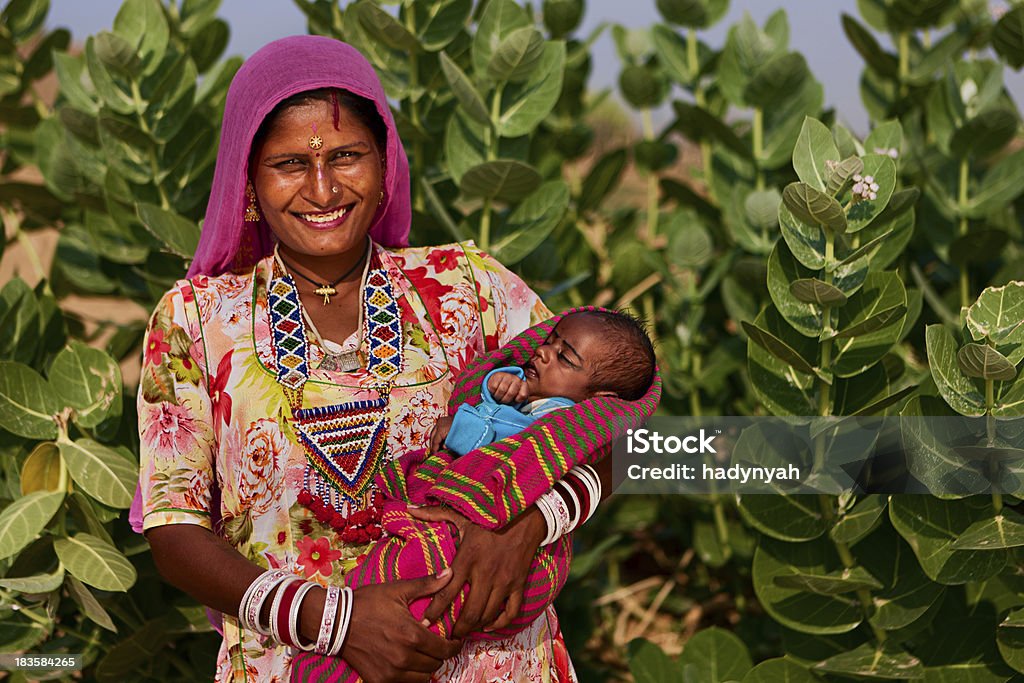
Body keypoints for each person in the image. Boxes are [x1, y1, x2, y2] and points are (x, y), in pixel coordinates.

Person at [134, 34, 623, 682]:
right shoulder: (196, 321)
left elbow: (627, 431)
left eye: (347, 156)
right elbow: (174, 532)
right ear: (248, 181)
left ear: (385, 163)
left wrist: (533, 522)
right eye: (288, 164)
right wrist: (337, 621)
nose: (321, 187)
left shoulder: (468, 288)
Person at [307, 310, 657, 681]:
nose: (542, 353)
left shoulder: (565, 421)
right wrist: (485, 399)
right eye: (548, 341)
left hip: (474, 572)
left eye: (564, 357)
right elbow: (484, 419)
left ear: (602, 399)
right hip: (331, 598)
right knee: (388, 595)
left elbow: (635, 445)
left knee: (422, 597)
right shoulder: (528, 395)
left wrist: (538, 518)